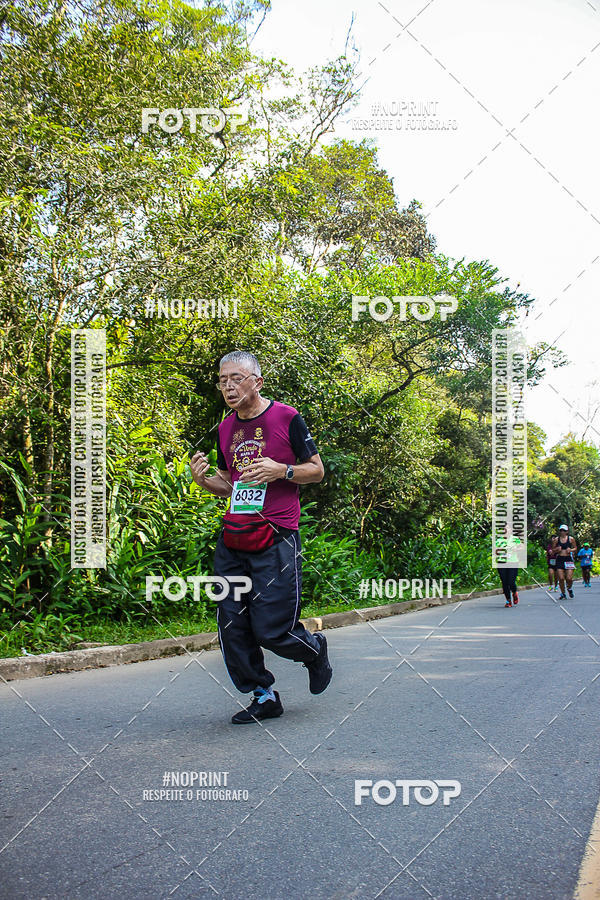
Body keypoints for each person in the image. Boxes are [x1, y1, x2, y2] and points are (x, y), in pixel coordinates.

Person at [190, 350, 332, 724]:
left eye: (236, 378)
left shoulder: (287, 418)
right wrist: (205, 481)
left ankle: (314, 650)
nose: (229, 386)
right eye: (223, 381)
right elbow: (231, 485)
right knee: (231, 624)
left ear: (257, 381)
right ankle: (263, 695)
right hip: (235, 538)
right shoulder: (225, 429)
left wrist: (281, 470)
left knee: (272, 629)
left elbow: (316, 472)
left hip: (277, 537)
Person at [495, 526, 521, 607]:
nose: (506, 530)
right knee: (504, 582)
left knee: (511, 581)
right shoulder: (499, 540)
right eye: (505, 529)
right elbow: (496, 550)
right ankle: (508, 601)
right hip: (502, 562)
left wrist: (516, 549)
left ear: (511, 530)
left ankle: (514, 592)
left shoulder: (515, 539)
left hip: (513, 562)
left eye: (508, 528)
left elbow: (521, 546)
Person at [551, 524, 577, 600]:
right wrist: (557, 550)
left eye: (564, 530)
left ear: (567, 532)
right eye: (561, 530)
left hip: (568, 559)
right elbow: (552, 550)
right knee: (561, 578)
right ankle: (563, 593)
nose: (562, 532)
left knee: (569, 578)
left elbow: (575, 548)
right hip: (559, 559)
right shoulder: (556, 539)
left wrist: (571, 550)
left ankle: (569, 588)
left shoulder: (571, 539)